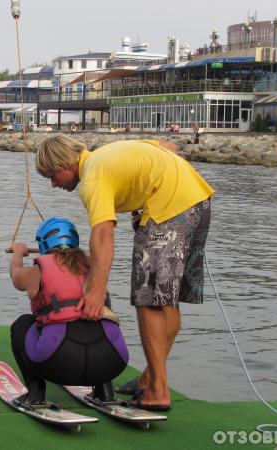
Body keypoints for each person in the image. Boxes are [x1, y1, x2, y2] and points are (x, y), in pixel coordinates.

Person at [35, 136, 214, 411]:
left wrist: (95, 291)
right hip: (198, 200)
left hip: (167, 210)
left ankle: (157, 391)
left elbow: (103, 234)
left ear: (64, 163)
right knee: (167, 299)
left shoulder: (92, 178)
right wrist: (144, 194)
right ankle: (151, 378)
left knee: (149, 299)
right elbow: (169, 148)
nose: (54, 184)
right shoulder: (108, 154)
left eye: (52, 175)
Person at [9, 218, 129, 407]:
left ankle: (35, 394)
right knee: (101, 319)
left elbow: (16, 276)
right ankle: (104, 392)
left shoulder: (38, 269)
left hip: (59, 364)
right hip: (112, 363)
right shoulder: (96, 268)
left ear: (43, 243)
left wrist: (18, 253)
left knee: (22, 324)